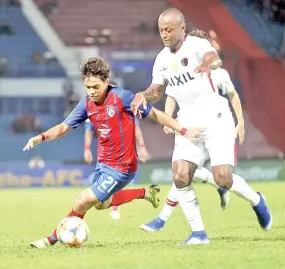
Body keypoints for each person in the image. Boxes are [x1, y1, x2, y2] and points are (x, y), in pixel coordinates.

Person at [23, 57, 204, 248]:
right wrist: (40, 137)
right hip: (103, 164)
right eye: (88, 87)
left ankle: (50, 240)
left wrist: (183, 130)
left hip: (123, 166)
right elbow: (62, 128)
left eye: (95, 87)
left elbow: (155, 114)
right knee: (101, 204)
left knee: (84, 200)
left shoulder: (123, 97)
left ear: (106, 82)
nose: (92, 92)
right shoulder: (86, 104)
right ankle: (146, 192)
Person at [131, 9, 272, 245]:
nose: (164, 34)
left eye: (169, 29)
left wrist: (208, 64)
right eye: (161, 30)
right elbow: (157, 91)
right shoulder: (162, 59)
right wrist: (143, 95)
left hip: (217, 119)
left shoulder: (195, 44)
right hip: (187, 122)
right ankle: (199, 234)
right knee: (180, 176)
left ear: (182, 28)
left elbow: (214, 58)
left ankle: (257, 200)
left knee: (223, 179)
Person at [140, 30, 235, 232]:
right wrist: (168, 119)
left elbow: (232, 95)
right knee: (182, 174)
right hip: (187, 123)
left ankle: (162, 219)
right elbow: (171, 94)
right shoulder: (171, 63)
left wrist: (240, 121)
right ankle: (166, 220)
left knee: (208, 176)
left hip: (214, 122)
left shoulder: (217, 73)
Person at [84, 116, 149, 220]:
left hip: (122, 155)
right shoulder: (94, 108)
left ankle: (116, 207)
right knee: (98, 203)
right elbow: (89, 130)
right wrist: (87, 149)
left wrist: (142, 147)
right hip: (103, 157)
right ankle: (143, 193)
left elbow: (135, 128)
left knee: (102, 193)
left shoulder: (124, 106)